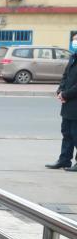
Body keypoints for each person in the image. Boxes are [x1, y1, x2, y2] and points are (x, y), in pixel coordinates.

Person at [46, 34, 77, 171]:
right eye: (74, 40)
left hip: (74, 102)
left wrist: (65, 94)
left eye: (76, 41)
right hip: (68, 102)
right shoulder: (73, 57)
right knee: (66, 133)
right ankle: (64, 160)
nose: (74, 43)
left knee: (76, 134)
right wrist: (60, 90)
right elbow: (65, 76)